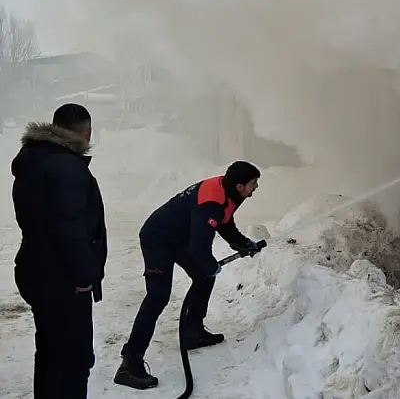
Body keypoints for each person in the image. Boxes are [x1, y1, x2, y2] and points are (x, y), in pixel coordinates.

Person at [114, 161, 264, 390]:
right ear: (240, 186)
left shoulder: (228, 192)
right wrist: (210, 265)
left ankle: (192, 333)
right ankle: (130, 364)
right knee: (158, 296)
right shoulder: (211, 201)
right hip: (158, 238)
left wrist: (243, 244)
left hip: (179, 237)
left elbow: (224, 223)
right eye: (254, 184)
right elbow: (199, 248)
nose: (256, 188)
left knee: (205, 276)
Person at [11, 104, 108, 399]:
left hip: (37, 271)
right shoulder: (66, 167)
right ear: (86, 133)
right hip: (65, 281)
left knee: (50, 354)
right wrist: (84, 277)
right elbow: (68, 226)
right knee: (74, 361)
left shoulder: (35, 160)